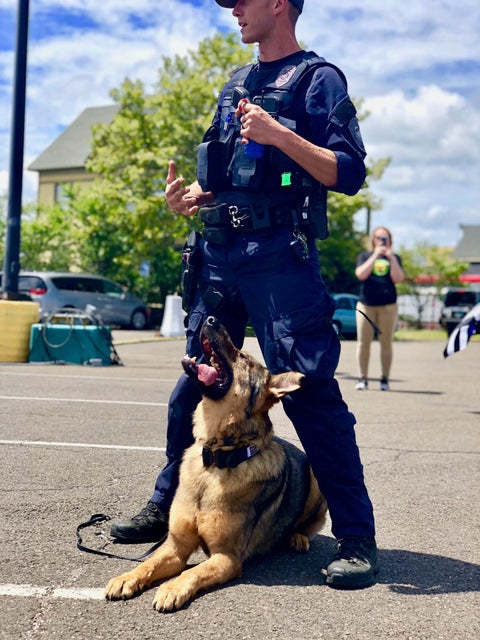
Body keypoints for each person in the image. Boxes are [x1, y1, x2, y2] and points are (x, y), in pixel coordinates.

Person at [111, 0, 378, 589]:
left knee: (309, 395)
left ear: (280, 4)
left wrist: (281, 135)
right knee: (196, 385)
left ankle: (357, 537)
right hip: (219, 252)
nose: (234, 11)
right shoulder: (236, 82)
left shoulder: (318, 79)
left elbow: (350, 173)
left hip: (281, 257)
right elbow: (225, 173)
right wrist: (193, 197)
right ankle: (168, 507)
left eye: (243, 2)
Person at [354, 226, 404, 391]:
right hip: (366, 305)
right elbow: (361, 274)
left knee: (386, 343)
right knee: (363, 343)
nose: (383, 241)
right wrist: (375, 255)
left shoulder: (394, 257)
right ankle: (363, 378)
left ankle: (384, 379)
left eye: (386, 238)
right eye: (379, 238)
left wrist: (391, 258)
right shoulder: (365, 256)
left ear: (390, 240)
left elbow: (398, 278)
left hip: (388, 307)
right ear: (373, 240)